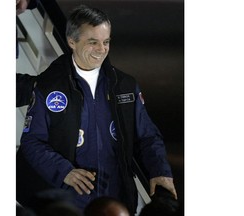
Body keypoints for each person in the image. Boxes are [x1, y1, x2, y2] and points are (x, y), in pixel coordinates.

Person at [16, 4, 177, 215]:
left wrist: (160, 171)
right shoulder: (49, 87)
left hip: (115, 199)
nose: (101, 49)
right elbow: (32, 141)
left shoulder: (125, 86)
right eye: (93, 42)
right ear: (72, 42)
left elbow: (147, 136)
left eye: (106, 42)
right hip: (70, 201)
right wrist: (64, 172)